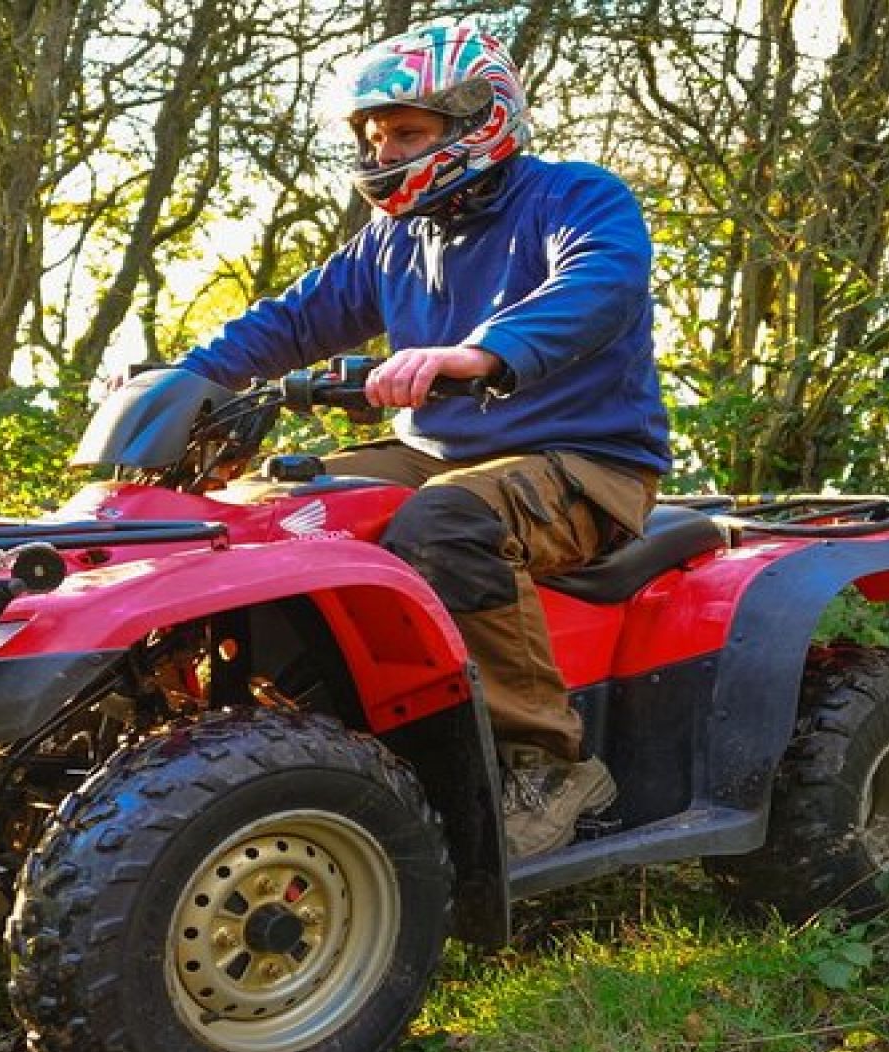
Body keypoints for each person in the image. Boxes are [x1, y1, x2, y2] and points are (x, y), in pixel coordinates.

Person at [176, 22, 671, 860]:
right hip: (441, 452)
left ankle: (549, 763)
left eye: (406, 132)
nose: (384, 151)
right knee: (267, 511)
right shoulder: (395, 238)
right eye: (375, 137)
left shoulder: (575, 197)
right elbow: (293, 321)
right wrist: (182, 381)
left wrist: (481, 353)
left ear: (478, 119)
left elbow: (599, 284)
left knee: (445, 524)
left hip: (585, 460)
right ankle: (275, 730)